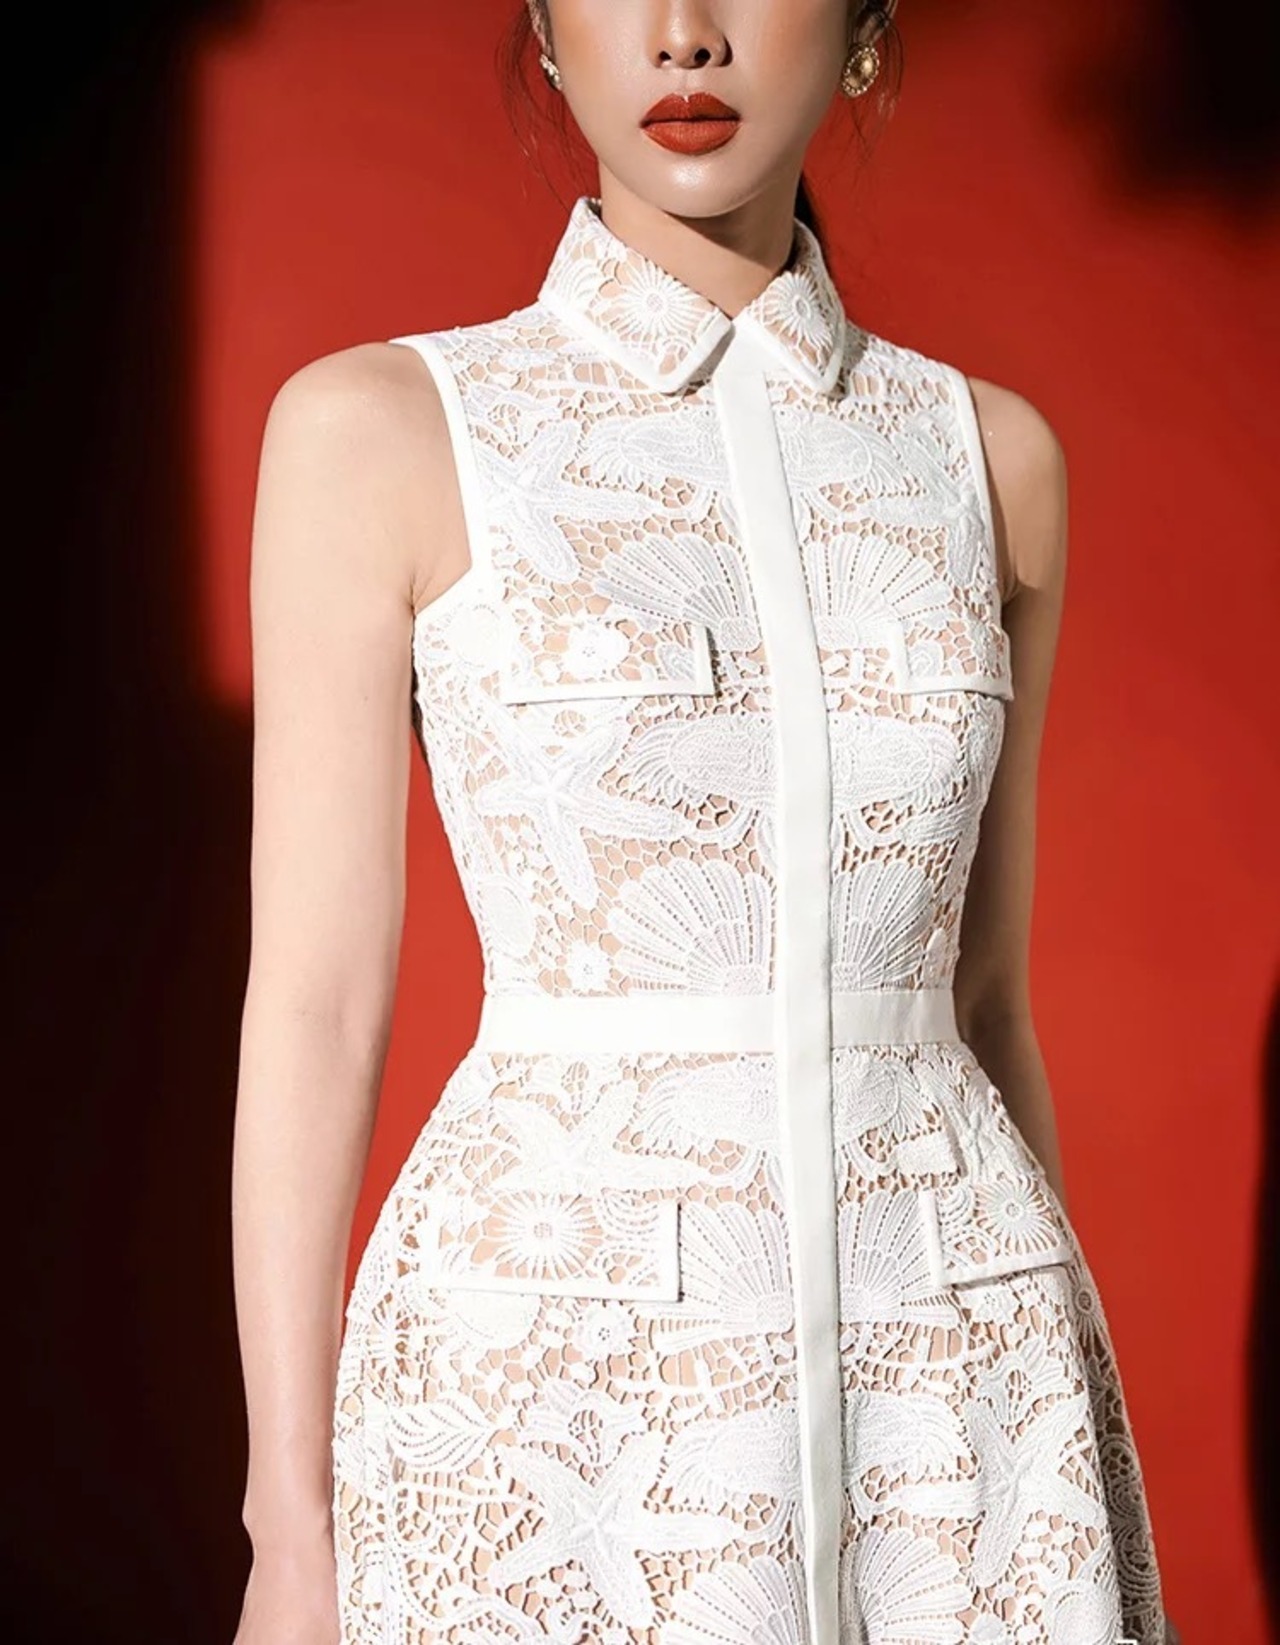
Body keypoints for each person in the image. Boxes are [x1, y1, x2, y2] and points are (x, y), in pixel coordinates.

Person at [230, 3, 1179, 1642]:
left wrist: (1040, 1420)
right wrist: (288, 1531)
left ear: (867, 28)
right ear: (542, 33)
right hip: (553, 1407)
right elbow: (316, 1003)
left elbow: (983, 1001)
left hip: (959, 1407)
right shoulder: (380, 431)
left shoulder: (987, 459)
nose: (683, 37)